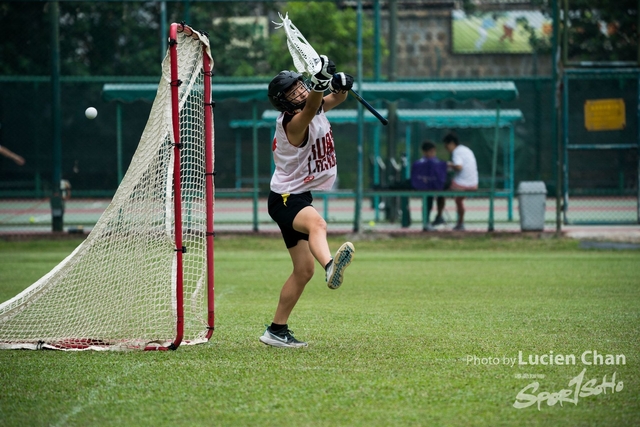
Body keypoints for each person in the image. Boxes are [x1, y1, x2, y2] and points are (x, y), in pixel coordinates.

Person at [260, 56, 355, 348]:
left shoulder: (312, 105)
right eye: (293, 93)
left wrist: (342, 84)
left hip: (295, 195)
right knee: (318, 223)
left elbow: (333, 98)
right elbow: (314, 105)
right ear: (284, 103)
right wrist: (320, 83)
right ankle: (330, 266)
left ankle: (276, 331)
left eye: (301, 86)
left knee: (303, 270)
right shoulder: (294, 123)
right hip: (286, 198)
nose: (300, 93)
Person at [432, 132, 478, 231]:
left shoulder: (457, 152)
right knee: (458, 200)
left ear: (451, 143)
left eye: (446, 145)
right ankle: (460, 223)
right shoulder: (466, 150)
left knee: (441, 189)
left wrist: (448, 165)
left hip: (462, 184)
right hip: (473, 183)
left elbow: (459, 166)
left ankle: (439, 216)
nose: (446, 148)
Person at [410, 141, 447, 231]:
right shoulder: (420, 163)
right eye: (431, 151)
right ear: (425, 152)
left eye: (434, 151)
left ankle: (439, 217)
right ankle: (426, 223)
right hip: (425, 189)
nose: (433, 154)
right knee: (428, 201)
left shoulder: (436, 162)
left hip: (436, 188)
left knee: (441, 195)